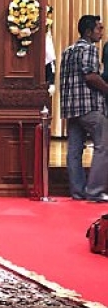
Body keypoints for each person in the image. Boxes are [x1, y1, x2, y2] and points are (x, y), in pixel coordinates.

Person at [59, 14, 108, 202]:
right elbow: (90, 76)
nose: (101, 32)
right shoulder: (89, 49)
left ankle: (78, 191)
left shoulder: (67, 50)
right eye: (99, 28)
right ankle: (95, 191)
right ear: (88, 32)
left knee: (74, 150)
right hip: (90, 106)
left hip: (71, 107)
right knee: (103, 147)